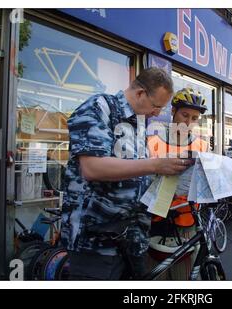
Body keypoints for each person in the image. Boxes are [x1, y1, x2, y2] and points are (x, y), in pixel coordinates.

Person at [61, 67, 194, 280]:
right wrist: (155, 165)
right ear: (140, 93)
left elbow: (137, 173)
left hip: (133, 238)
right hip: (96, 240)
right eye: (156, 106)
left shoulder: (139, 124)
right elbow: (92, 168)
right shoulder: (99, 107)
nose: (157, 113)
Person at [146, 88, 209, 279]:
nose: (188, 123)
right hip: (155, 221)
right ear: (173, 111)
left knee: (185, 277)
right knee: (157, 276)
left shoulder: (202, 145)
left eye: (194, 118)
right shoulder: (153, 141)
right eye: (185, 115)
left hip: (187, 222)